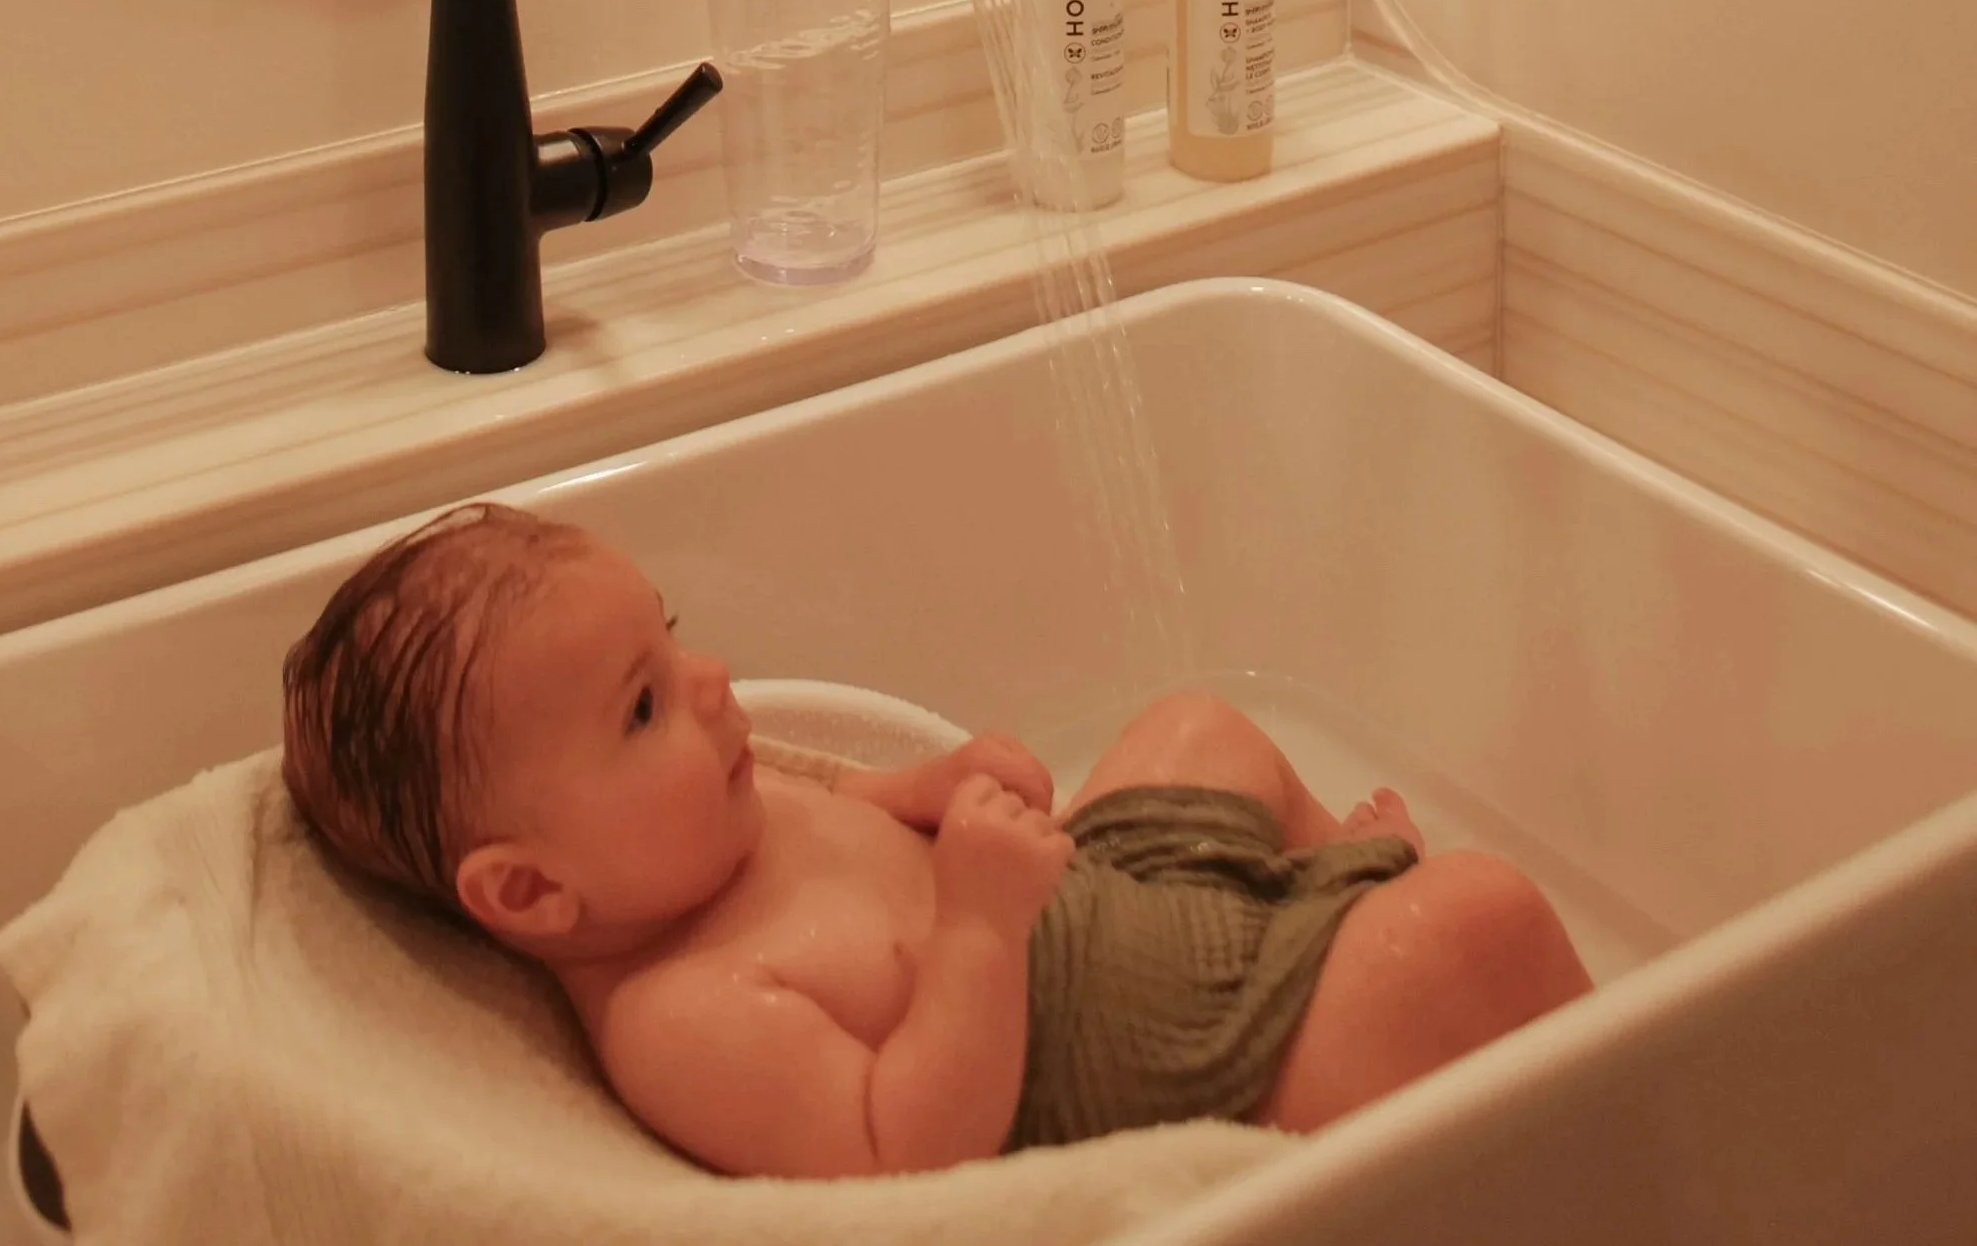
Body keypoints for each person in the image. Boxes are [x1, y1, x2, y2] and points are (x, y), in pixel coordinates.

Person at [281, 503, 1591, 1180]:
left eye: (671, 637)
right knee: (1477, 920)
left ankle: (1324, 898)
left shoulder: (719, 824)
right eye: (640, 703)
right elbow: (909, 1159)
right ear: (530, 888)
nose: (711, 679)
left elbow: (877, 810)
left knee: (1198, 727)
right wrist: (974, 923)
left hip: (1103, 904)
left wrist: (954, 780)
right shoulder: (683, 1015)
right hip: (1181, 1069)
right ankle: (1601, 1114)